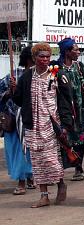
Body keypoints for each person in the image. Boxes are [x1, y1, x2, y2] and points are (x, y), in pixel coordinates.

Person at [12, 43, 73, 208]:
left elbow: (65, 100)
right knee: (37, 161)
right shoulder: (27, 76)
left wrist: (66, 125)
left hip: (52, 124)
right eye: (41, 56)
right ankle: (44, 195)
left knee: (52, 158)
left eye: (47, 56)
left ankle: (60, 184)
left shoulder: (54, 73)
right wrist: (14, 90)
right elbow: (18, 100)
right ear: (34, 58)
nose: (45, 59)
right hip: (33, 125)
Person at [55, 37, 84, 181]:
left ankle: (79, 167)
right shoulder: (56, 69)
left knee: (81, 139)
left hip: (79, 110)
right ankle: (60, 170)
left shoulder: (79, 66)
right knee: (64, 138)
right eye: (76, 49)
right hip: (63, 110)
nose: (78, 52)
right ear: (67, 52)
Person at [1, 46, 34, 195]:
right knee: (18, 151)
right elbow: (2, 95)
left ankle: (31, 177)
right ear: (30, 58)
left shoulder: (42, 75)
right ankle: (21, 182)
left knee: (32, 150)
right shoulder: (12, 76)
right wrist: (10, 91)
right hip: (14, 120)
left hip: (33, 119)